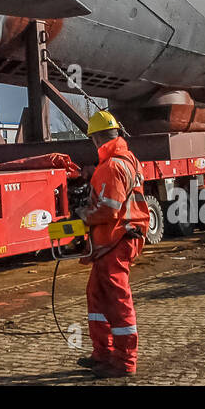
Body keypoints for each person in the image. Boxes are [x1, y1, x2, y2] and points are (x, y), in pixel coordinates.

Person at [76, 109, 150, 378]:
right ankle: (103, 354)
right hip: (113, 238)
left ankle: (124, 362)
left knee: (117, 300)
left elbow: (109, 210)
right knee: (96, 294)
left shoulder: (112, 166)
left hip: (118, 237)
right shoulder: (126, 159)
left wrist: (84, 216)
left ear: (96, 139)